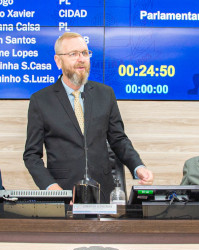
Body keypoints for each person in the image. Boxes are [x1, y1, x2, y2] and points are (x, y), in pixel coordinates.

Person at [23, 32, 154, 201]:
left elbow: (119, 139)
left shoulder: (105, 94)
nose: (81, 59)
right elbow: (31, 155)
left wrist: (138, 167)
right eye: (73, 54)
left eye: (85, 53)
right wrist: (52, 188)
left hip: (103, 193)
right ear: (58, 61)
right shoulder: (40, 100)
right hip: (63, 193)